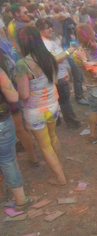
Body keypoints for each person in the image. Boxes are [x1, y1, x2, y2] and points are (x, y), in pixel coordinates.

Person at [15, 26, 68, 187]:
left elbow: (24, 95)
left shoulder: (22, 64)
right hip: (52, 105)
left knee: (44, 146)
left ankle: (60, 178)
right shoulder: (50, 57)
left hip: (35, 111)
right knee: (52, 137)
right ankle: (58, 165)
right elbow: (56, 81)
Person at [36, 18, 81, 130]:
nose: (51, 29)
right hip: (58, 77)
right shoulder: (46, 44)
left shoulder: (45, 41)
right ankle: (72, 123)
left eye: (51, 26)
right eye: (48, 27)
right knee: (65, 101)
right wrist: (67, 52)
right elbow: (53, 60)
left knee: (56, 100)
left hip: (55, 76)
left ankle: (57, 121)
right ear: (39, 29)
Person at [0, 54, 32, 209]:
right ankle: (20, 199)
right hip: (1, 123)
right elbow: (13, 97)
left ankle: (2, 193)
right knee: (7, 160)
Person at [62, 18, 88, 105]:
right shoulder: (65, 38)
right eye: (70, 27)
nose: (72, 29)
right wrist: (67, 64)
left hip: (79, 58)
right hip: (72, 59)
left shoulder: (76, 35)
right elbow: (66, 52)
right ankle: (79, 97)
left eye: (73, 27)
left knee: (80, 78)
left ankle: (80, 94)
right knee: (77, 78)